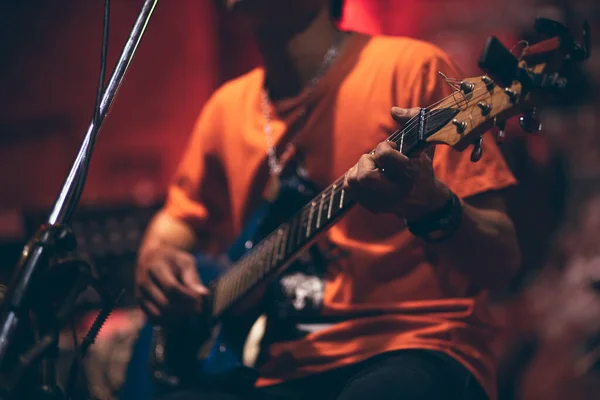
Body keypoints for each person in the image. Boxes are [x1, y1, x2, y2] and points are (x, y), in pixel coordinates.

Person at [134, 0, 521, 399]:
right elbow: (173, 223)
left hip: (414, 345)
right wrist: (156, 257)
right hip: (275, 366)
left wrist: (433, 206)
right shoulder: (225, 109)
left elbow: (502, 261)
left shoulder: (413, 69)